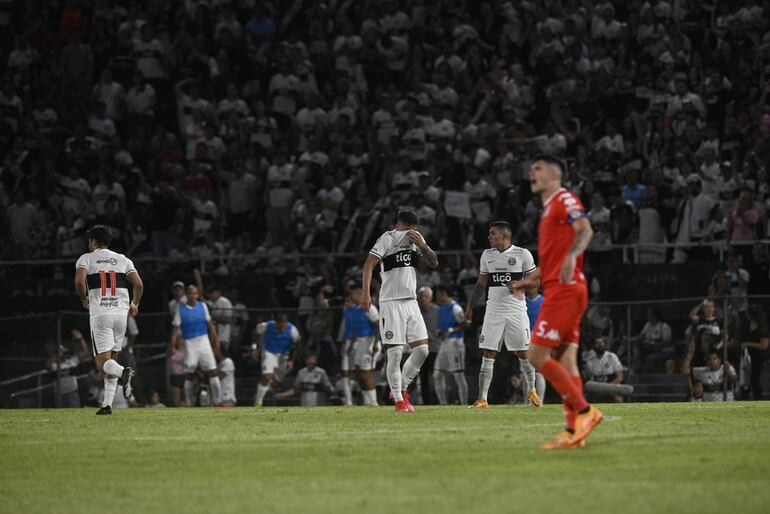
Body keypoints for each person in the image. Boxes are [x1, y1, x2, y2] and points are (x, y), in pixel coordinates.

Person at [526, 155, 603, 449]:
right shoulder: (548, 210)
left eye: (539, 168)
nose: (532, 172)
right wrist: (532, 278)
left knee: (536, 356)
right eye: (531, 168)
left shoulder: (564, 200)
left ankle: (586, 411)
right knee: (566, 360)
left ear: (555, 176)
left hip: (565, 291)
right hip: (562, 288)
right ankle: (574, 432)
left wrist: (572, 256)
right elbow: (554, 258)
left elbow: (585, 230)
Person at [362, 209, 439, 413]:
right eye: (408, 228)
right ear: (399, 224)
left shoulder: (416, 240)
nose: (411, 232)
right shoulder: (387, 239)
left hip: (411, 302)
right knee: (395, 353)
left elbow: (434, 262)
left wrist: (423, 244)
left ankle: (402, 388)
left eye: (414, 229)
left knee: (422, 350)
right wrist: (366, 294)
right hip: (391, 302)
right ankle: (398, 399)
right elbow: (369, 265)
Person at [464, 221, 542, 409]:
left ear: (504, 236)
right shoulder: (487, 255)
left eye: (493, 234)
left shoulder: (522, 254)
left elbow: (536, 282)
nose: (489, 237)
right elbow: (481, 284)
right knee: (488, 352)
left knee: (522, 353)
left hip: (516, 310)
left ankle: (531, 392)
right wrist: (470, 307)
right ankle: (482, 399)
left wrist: (520, 284)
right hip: (493, 310)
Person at [74, 225, 142, 415]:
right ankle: (107, 405)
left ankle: (124, 373)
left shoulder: (86, 258)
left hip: (101, 314)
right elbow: (138, 284)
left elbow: (79, 281)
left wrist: (83, 298)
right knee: (112, 358)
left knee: (102, 363)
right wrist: (134, 304)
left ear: (93, 241)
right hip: (121, 315)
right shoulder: (122, 259)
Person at [168, 285, 223, 407]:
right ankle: (189, 402)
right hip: (189, 342)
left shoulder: (203, 306)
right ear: (186, 295)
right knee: (189, 373)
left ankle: (217, 401)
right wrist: (172, 346)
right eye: (190, 293)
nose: (193, 295)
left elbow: (210, 324)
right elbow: (175, 330)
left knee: (212, 371)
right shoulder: (180, 309)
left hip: (204, 341)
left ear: (197, 295)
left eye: (195, 293)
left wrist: (216, 340)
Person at [340, 285, 380, 406]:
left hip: (369, 342)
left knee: (366, 372)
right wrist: (352, 344)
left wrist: (375, 343)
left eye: (352, 294)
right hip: (359, 343)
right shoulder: (356, 309)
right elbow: (355, 330)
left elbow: (379, 325)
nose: (351, 297)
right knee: (358, 373)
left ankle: (374, 402)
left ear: (359, 293)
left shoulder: (368, 307)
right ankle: (367, 401)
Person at [252, 315, 301, 407]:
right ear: (276, 324)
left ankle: (264, 388)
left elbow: (298, 344)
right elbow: (255, 332)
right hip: (268, 352)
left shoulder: (293, 330)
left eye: (284, 326)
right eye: (280, 326)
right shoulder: (267, 325)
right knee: (267, 377)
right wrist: (254, 348)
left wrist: (292, 361)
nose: (282, 328)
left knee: (276, 381)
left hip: (283, 355)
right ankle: (258, 402)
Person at [434, 286, 468, 405]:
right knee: (437, 374)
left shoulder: (456, 308)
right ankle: (443, 403)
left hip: (456, 344)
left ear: (443, 293)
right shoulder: (442, 308)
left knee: (458, 375)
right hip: (444, 344)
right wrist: (439, 331)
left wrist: (451, 330)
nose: (436, 296)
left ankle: (464, 403)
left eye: (438, 294)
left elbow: (465, 325)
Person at [46, 330, 90, 408]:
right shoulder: (55, 364)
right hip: (59, 393)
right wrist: (58, 355)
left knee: (74, 414)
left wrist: (81, 339)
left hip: (72, 392)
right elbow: (48, 364)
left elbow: (85, 351)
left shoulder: (72, 361)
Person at [740, 306, 769, 400]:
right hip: (746, 355)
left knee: (754, 378)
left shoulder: (762, 326)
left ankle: (758, 398)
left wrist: (748, 344)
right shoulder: (747, 323)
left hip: (757, 357)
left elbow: (764, 346)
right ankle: (744, 398)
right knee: (744, 378)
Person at [583, 338, 625, 403]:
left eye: (601, 342)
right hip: (596, 385)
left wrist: (607, 386)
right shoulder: (589, 358)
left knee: (618, 399)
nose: (600, 345)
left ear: (605, 344)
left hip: (611, 384)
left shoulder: (612, 356)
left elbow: (620, 377)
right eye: (597, 343)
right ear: (594, 346)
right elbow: (588, 377)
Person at [418, 286, 440, 405]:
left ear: (431, 298)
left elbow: (443, 326)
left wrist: (436, 332)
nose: (423, 298)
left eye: (426, 296)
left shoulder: (438, 310)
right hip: (421, 349)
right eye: (421, 296)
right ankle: (426, 401)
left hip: (435, 348)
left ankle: (437, 400)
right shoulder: (417, 311)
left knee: (435, 377)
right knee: (423, 377)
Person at [525, 288, 547, 401]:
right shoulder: (523, 302)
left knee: (539, 372)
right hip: (525, 336)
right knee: (525, 372)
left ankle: (540, 400)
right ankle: (527, 401)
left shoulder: (544, 302)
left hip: (539, 337)